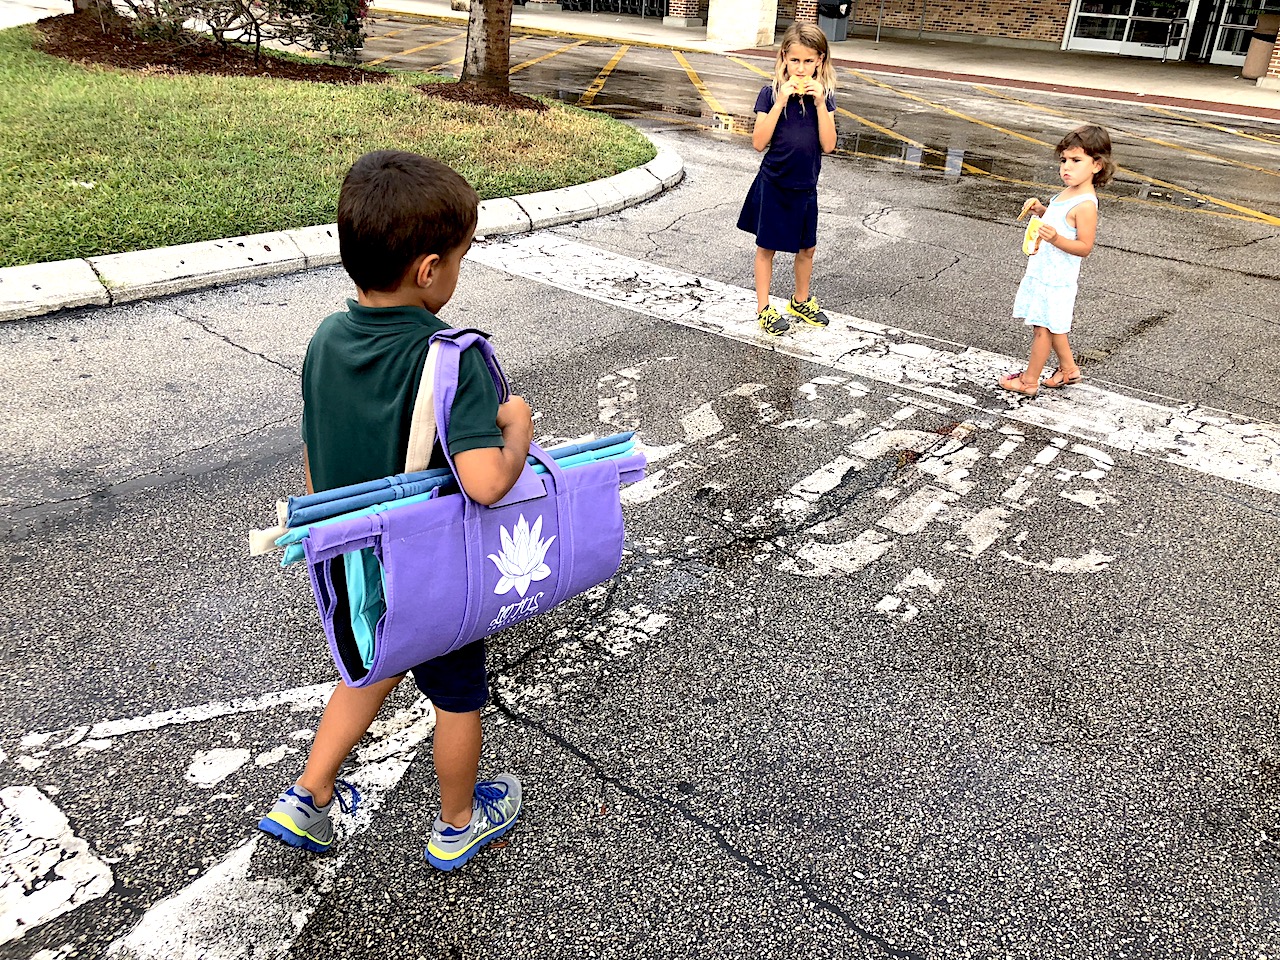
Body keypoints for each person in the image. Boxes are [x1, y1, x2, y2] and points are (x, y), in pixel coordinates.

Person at [258, 150, 534, 871]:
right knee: (456, 697)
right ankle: (459, 820)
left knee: (367, 667)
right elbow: (483, 483)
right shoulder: (452, 357)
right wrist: (519, 428)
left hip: (352, 558)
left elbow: (319, 452)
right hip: (431, 570)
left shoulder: (325, 340)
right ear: (429, 269)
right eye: (461, 258)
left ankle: (310, 795)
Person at [737, 22, 838, 336]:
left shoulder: (825, 97)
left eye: (809, 61)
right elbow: (758, 142)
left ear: (820, 60)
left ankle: (800, 300)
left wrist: (821, 103)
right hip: (774, 183)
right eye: (795, 60)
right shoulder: (770, 93)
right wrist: (780, 101)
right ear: (783, 58)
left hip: (805, 185)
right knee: (767, 247)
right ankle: (764, 308)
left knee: (807, 248)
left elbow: (829, 144)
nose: (802, 67)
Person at [999, 124, 1115, 397]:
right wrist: (1041, 210)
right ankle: (1068, 370)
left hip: (1057, 279)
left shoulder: (1085, 204)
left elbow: (1084, 247)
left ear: (1096, 166)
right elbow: (1059, 218)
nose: (1067, 167)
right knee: (1055, 326)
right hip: (1045, 272)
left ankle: (1029, 381)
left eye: (1076, 161)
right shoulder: (1068, 193)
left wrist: (1055, 239)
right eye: (1064, 160)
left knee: (1044, 329)